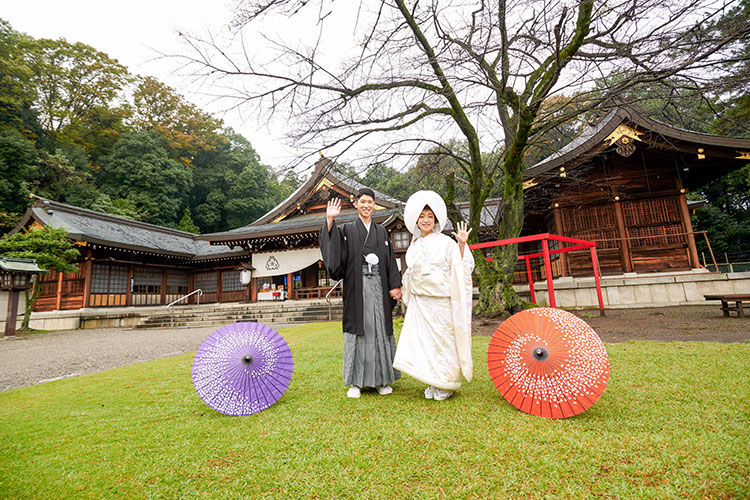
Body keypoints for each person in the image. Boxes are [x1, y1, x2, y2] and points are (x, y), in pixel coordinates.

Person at [319, 188, 403, 398]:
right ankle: (356, 382)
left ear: (374, 205)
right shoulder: (346, 230)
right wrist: (330, 221)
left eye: (370, 202)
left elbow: (390, 260)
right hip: (357, 288)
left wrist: (395, 285)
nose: (366, 205)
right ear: (356, 204)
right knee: (358, 330)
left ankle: (381, 379)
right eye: (362, 202)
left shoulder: (382, 232)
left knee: (378, 329)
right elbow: (334, 255)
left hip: (379, 287)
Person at [392, 190, 474, 401]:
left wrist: (462, 245)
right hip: (421, 302)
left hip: (441, 301)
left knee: (443, 342)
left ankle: (446, 383)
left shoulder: (446, 242)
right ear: (416, 221)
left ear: (435, 219)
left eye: (429, 216)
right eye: (422, 217)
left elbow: (463, 267)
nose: (426, 220)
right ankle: (432, 381)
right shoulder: (414, 245)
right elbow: (410, 273)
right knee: (425, 343)